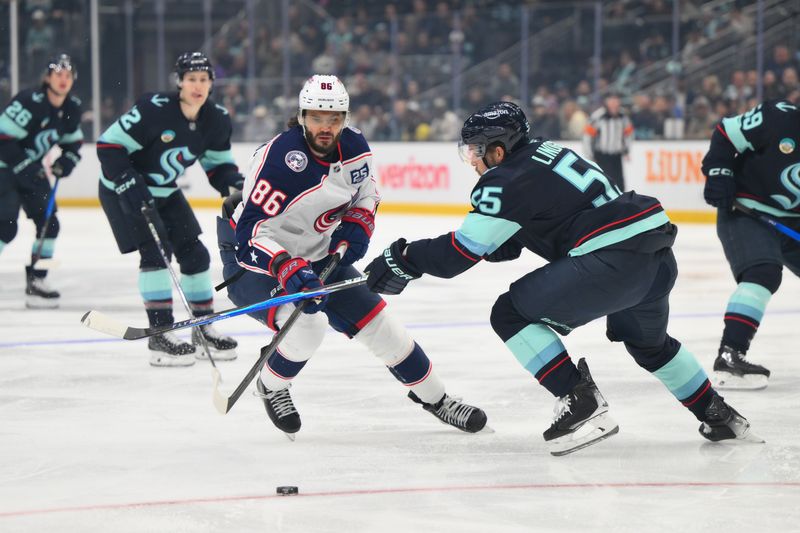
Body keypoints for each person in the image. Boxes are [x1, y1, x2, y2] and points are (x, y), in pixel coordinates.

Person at [365, 101, 757, 456]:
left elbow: (457, 256)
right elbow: (524, 233)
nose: (472, 161)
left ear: (497, 150)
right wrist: (487, 244)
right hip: (654, 259)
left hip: (612, 262)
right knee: (650, 347)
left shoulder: (504, 180)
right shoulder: (549, 153)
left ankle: (579, 400)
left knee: (509, 314)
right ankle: (716, 412)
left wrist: (403, 257)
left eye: (475, 151)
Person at [218, 74, 486, 437]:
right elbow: (251, 235)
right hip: (254, 264)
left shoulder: (356, 146)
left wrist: (359, 223)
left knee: (382, 328)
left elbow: (367, 192)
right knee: (309, 324)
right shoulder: (279, 161)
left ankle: (437, 399)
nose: (325, 128)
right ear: (301, 116)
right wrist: (286, 266)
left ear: (344, 117)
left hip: (317, 257)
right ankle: (272, 384)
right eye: (316, 118)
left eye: (333, 119)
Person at [96, 52, 243, 367]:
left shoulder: (216, 118)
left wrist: (234, 188)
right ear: (179, 82)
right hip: (122, 188)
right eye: (191, 79)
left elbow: (218, 166)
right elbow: (108, 146)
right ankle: (160, 334)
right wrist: (127, 181)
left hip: (164, 190)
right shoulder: (153, 110)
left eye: (203, 79)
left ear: (211, 83)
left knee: (195, 254)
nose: (197, 85)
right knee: (156, 253)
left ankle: (201, 329)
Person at [701, 99, 800, 390]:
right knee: (763, 273)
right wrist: (719, 171)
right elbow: (725, 133)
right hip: (747, 210)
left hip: (793, 220)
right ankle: (730, 355)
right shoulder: (777, 117)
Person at [0, 53, 83, 309]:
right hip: (4, 168)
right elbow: (2, 138)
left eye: (68, 75)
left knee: (50, 225)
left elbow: (73, 142)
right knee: (6, 227)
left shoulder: (71, 107)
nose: (63, 80)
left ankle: (37, 280)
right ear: (47, 78)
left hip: (31, 171)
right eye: (58, 74)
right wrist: (26, 165)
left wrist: (67, 160)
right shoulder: (29, 101)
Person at [582, 93, 633, 190]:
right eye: (611, 100)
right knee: (604, 183)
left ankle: (619, 204)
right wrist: (589, 155)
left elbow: (628, 133)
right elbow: (587, 137)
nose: (614, 103)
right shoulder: (598, 116)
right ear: (606, 102)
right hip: (601, 156)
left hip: (616, 156)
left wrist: (626, 150)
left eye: (616, 100)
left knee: (619, 185)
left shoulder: (623, 116)